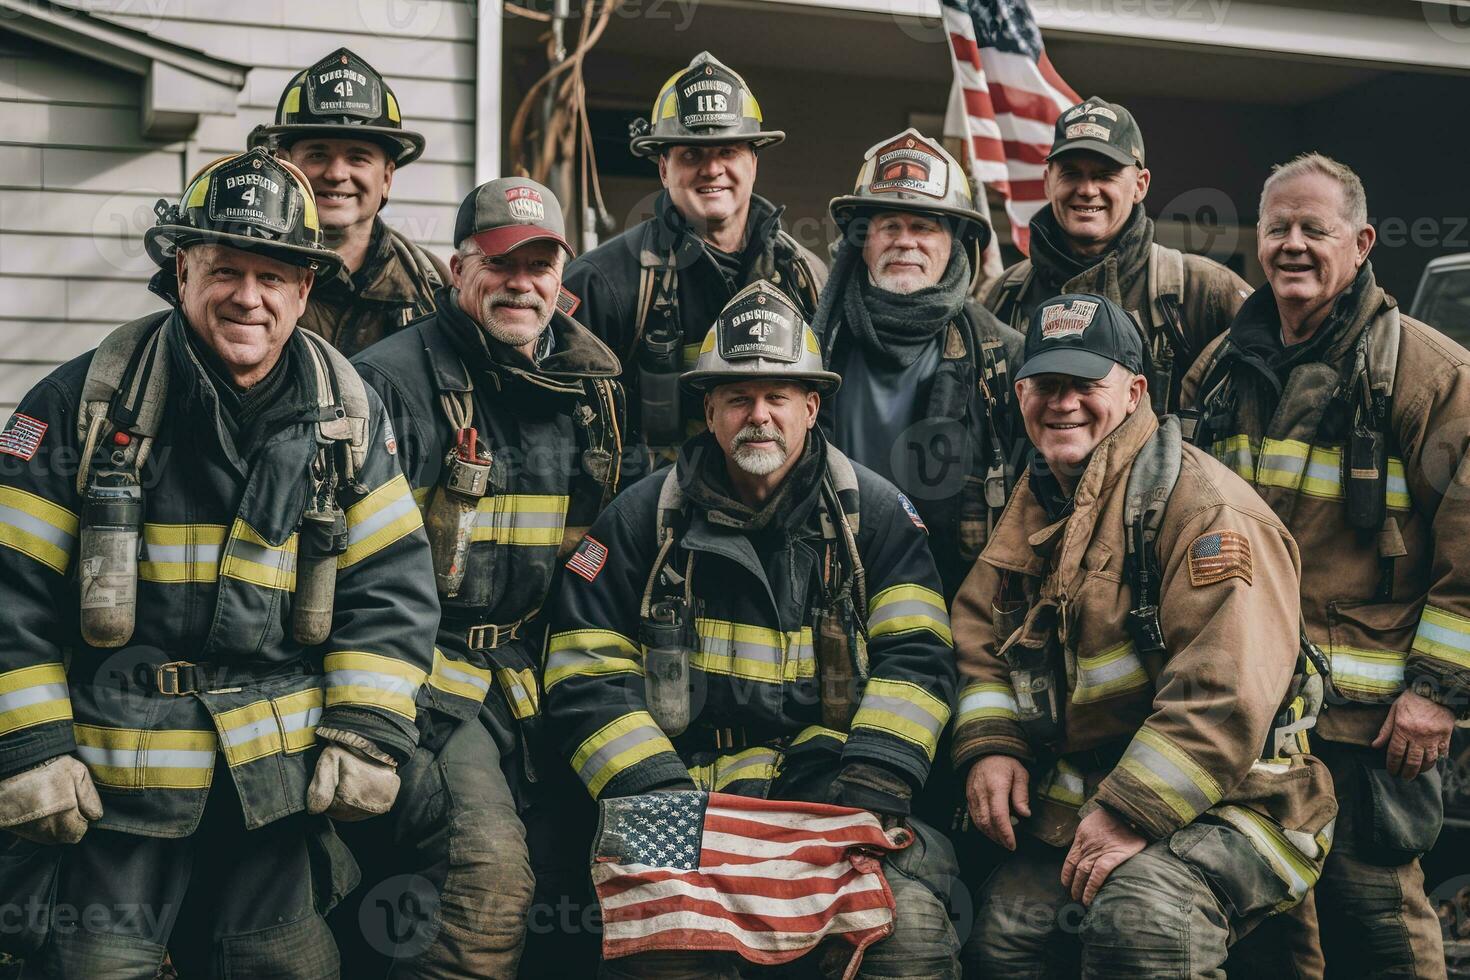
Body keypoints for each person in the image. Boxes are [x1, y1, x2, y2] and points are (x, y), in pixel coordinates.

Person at [0, 148, 438, 977]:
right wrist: (29, 749)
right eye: (225, 269)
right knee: (96, 966)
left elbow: (392, 589)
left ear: (305, 290)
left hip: (274, 793)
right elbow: (8, 588)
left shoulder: (346, 415)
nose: (249, 296)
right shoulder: (82, 403)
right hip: (107, 795)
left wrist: (366, 729)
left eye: (274, 276)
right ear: (181, 269)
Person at [543, 280, 962, 978]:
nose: (758, 416)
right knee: (670, 952)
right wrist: (656, 794)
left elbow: (917, 659)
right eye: (738, 398)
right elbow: (584, 673)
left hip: (830, 787)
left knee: (906, 937)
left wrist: (873, 779)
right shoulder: (640, 521)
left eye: (777, 397)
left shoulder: (879, 517)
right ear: (709, 410)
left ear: (811, 406)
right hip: (678, 791)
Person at [953, 291, 1335, 975]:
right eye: (1046, 384)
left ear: (1133, 392)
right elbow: (979, 635)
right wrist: (992, 743)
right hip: (1091, 792)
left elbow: (1223, 695)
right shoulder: (1038, 498)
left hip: (1241, 797)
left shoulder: (1205, 511)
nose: (1063, 402)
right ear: (1020, 394)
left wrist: (1130, 812)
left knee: (1145, 923)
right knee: (1004, 937)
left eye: (1084, 384)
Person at [1183, 152, 1463, 978]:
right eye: (1278, 229)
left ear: (1365, 241)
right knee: (1274, 938)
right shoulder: (1218, 371)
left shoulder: (1430, 376)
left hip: (1367, 728)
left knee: (1377, 926)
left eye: (1316, 228)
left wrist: (1435, 694)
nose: (1293, 245)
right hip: (1251, 718)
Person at [345, 176, 626, 978]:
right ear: (456, 270)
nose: (521, 283)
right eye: (500, 263)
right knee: (487, 883)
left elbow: (594, 556)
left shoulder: (591, 388)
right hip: (428, 682)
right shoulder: (389, 384)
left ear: (561, 280)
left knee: (580, 886)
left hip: (538, 679)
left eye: (540, 265)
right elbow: (358, 578)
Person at [562, 51, 826, 459]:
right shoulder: (601, 282)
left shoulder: (805, 277)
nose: (712, 169)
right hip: (647, 515)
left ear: (753, 163)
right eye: (692, 155)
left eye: (728, 152)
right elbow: (561, 422)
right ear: (664, 168)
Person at [813, 127, 1024, 598]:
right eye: (889, 226)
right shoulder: (814, 342)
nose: (905, 242)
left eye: (924, 227)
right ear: (862, 240)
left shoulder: (1001, 356)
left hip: (952, 598)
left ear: (954, 242)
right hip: (823, 586)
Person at [983, 97, 1250, 414]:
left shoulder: (1202, 289)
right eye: (1071, 173)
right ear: (1047, 183)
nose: (1087, 189)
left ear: (1140, 185)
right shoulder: (1006, 295)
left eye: (1104, 174)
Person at [250, 47, 448, 356]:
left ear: (386, 178)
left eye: (358, 157)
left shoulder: (433, 287)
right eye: (318, 154)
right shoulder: (243, 272)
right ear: (284, 166)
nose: (336, 173)